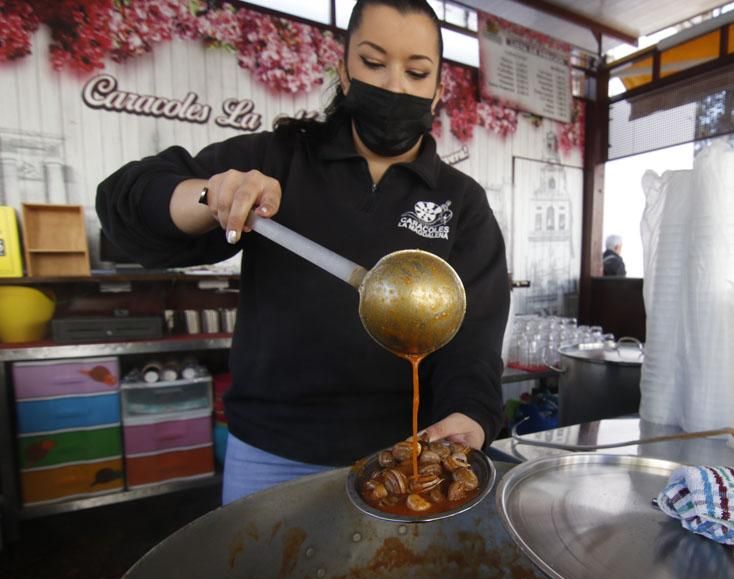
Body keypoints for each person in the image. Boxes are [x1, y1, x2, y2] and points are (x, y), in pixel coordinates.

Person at [96, 0, 510, 504]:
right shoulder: (277, 160)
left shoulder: (461, 202)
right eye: (374, 63)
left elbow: (473, 340)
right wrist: (211, 196)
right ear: (344, 70)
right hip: (271, 451)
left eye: (416, 71)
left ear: (438, 88)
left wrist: (470, 413)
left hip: (403, 453)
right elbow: (128, 202)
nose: (395, 86)